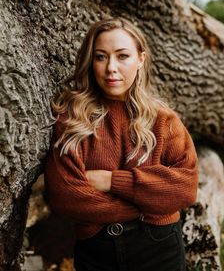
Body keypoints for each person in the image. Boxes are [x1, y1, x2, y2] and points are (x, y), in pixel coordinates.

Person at [44, 17, 198, 271]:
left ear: (141, 59)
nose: (111, 68)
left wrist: (110, 181)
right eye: (101, 57)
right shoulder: (73, 121)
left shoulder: (164, 122)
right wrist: (149, 202)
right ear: (90, 62)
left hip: (159, 249)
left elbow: (184, 189)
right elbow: (66, 196)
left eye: (122, 56)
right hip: (96, 249)